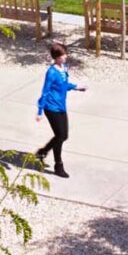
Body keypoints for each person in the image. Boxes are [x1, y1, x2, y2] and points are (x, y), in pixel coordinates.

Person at [33, 41, 85, 177]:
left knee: (63, 135)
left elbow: (63, 85)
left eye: (65, 54)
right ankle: (58, 165)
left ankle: (42, 152)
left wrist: (76, 87)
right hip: (51, 107)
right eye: (63, 55)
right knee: (60, 136)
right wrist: (40, 111)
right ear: (56, 57)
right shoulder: (51, 72)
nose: (65, 57)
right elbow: (45, 91)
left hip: (61, 106)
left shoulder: (64, 68)